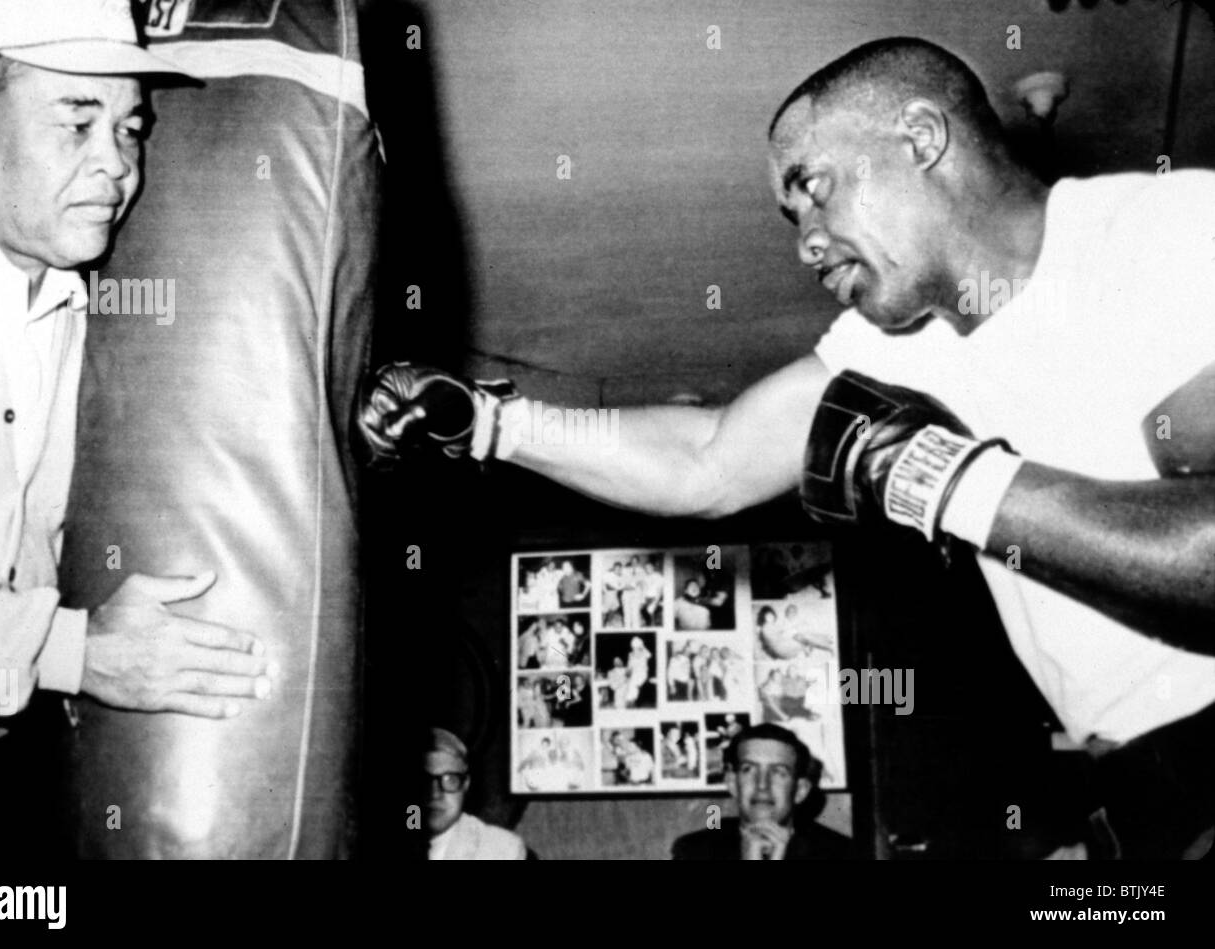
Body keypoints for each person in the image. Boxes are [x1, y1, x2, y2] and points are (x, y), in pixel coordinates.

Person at [359, 35, 1215, 857]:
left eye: (815, 187)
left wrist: (944, 480)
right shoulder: (895, 347)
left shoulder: (1169, 230)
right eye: (791, 213)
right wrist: (491, 423)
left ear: (919, 137)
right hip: (1135, 797)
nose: (805, 239)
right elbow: (709, 461)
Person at [0, 0, 272, 844]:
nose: (115, 164)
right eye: (76, 123)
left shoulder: (93, 305)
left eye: (130, 127)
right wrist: (76, 650)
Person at [673, 724, 852, 860]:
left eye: (778, 772)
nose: (762, 785)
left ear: (800, 790)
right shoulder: (696, 851)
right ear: (732, 783)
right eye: (749, 769)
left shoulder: (840, 853)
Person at [424, 728, 527, 860]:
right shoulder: (412, 818)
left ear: (466, 784)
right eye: (423, 780)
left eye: (450, 779)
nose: (434, 794)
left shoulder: (502, 849)